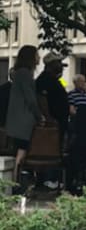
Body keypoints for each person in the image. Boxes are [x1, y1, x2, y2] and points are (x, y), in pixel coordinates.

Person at [6, 46, 43, 191]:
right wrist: (39, 115)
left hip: (17, 119)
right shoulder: (26, 74)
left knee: (19, 150)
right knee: (21, 152)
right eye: (36, 55)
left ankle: (15, 182)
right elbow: (31, 99)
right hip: (24, 120)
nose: (38, 58)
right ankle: (16, 183)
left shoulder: (18, 74)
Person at [36, 52, 69, 137]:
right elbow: (41, 98)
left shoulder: (54, 79)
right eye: (59, 63)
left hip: (60, 121)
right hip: (53, 122)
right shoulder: (44, 79)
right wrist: (48, 118)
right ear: (52, 64)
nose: (61, 66)